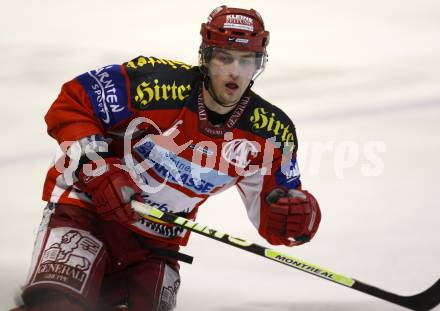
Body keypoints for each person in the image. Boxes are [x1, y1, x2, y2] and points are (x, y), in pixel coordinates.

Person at [14, 5, 321, 311]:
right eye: (224, 58)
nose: (234, 71)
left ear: (259, 65)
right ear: (206, 57)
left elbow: (276, 215)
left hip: (156, 243)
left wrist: (299, 218)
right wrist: (97, 167)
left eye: (246, 61)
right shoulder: (156, 84)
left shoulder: (272, 133)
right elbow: (74, 100)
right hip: (86, 210)